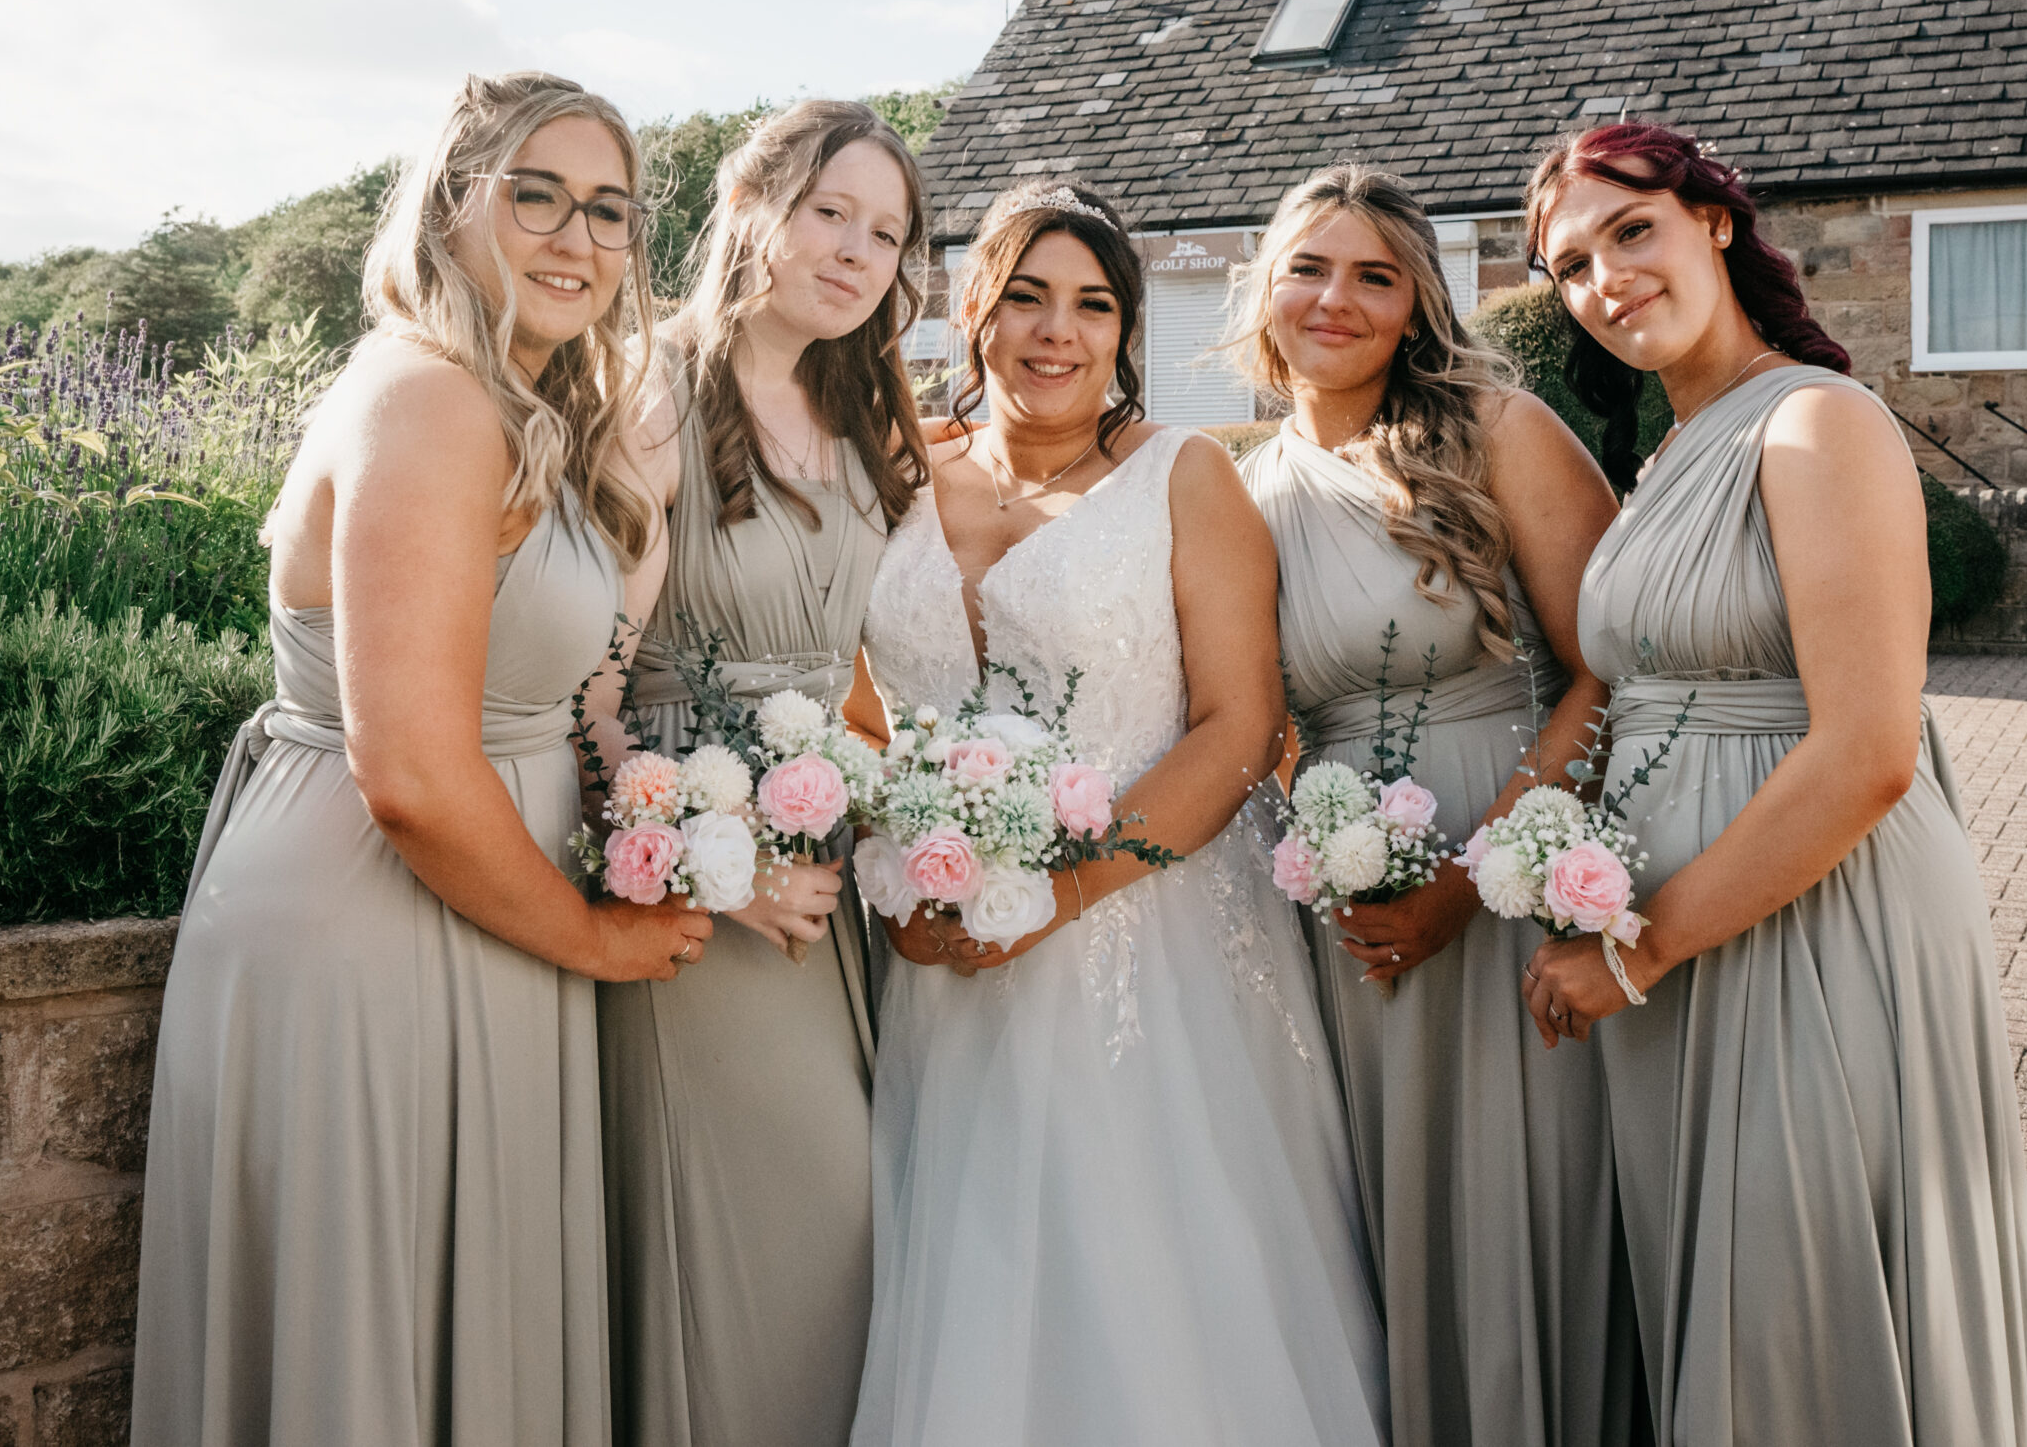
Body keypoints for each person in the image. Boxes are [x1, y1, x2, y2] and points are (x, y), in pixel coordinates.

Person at [132, 71, 713, 1447]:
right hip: (382, 921)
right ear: (452, 207)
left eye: (610, 211)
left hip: (467, 908)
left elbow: (577, 672)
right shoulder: (434, 402)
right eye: (536, 196)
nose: (577, 239)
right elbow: (406, 767)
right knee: (373, 1344)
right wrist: (594, 937)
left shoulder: (523, 405)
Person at [1521, 122, 2027, 1447]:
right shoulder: (1666, 457)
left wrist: (1637, 949)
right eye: (1571, 266)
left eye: (1629, 230)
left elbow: (1869, 751)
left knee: (1796, 1303)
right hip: (1690, 924)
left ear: (1712, 220)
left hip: (1810, 918)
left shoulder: (1817, 424)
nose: (1604, 280)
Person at [850, 179, 1387, 1445]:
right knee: (970, 1268)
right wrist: (904, 864)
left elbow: (1238, 726)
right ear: (973, 308)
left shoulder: (1183, 476)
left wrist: (1061, 894)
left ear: (1124, 333)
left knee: (1153, 1273)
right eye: (1027, 297)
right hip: (938, 943)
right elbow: (860, 701)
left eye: (1093, 306)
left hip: (1149, 932)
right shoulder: (896, 474)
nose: (1058, 332)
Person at [1230, 163, 1638, 1446]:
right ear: (1265, 288)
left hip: (1510, 855)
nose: (1335, 299)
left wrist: (1472, 879)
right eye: (1309, 267)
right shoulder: (1243, 488)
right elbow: (1259, 721)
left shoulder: (1494, 427)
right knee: (1388, 1197)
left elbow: (1604, 671)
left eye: (1374, 274)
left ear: (1416, 304)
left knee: (1524, 1190)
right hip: (1349, 891)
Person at [582, 99, 934, 1447]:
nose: (854, 252)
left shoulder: (862, 411)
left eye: (885, 233)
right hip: (698, 884)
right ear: (753, 210)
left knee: (865, 1233)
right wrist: (709, 869)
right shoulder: (652, 396)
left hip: (824, 877)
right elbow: (588, 694)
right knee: (795, 1232)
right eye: (829, 213)